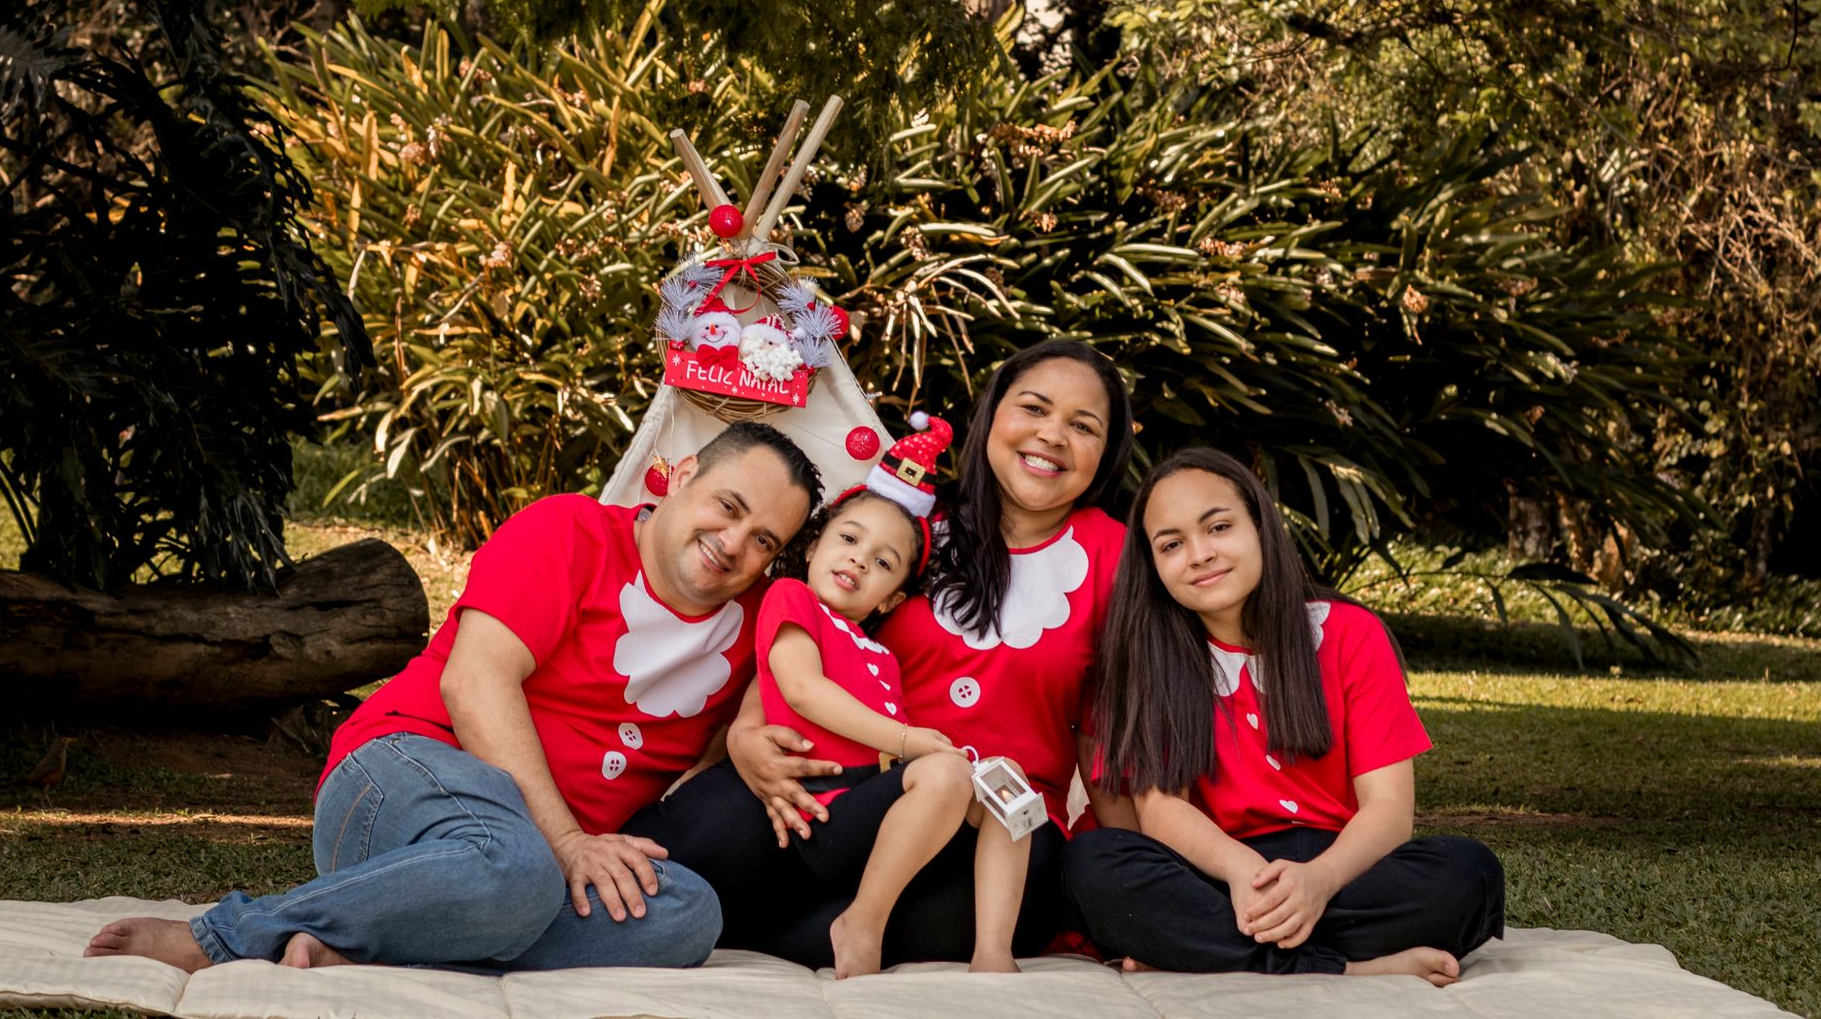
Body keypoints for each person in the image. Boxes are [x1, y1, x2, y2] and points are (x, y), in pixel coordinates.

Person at [83, 422, 821, 973]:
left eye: (764, 539)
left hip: (532, 867)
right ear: (682, 474)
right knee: (514, 865)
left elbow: (789, 702)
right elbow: (474, 682)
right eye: (727, 506)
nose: (733, 543)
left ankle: (370, 948)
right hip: (405, 774)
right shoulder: (571, 532)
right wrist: (564, 842)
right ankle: (226, 937)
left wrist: (750, 740)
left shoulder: (756, 622)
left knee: (689, 914)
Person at [628, 339, 1136, 968]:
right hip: (847, 784)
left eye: (1083, 426)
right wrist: (746, 735)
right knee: (716, 829)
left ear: (1107, 452)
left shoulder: (1119, 557)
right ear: (993, 417)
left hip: (987, 826)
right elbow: (808, 637)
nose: (1053, 434)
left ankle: (808, 934)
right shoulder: (905, 527)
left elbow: (1110, 732)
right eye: (1033, 408)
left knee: (961, 914)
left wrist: (1126, 877)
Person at [1063, 448, 1506, 984]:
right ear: (1153, 567)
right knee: (1093, 862)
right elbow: (1161, 813)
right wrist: (1241, 871)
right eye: (1172, 544)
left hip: (1342, 871)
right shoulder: (1151, 659)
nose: (1200, 554)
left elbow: (1389, 809)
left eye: (1219, 527)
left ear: (1260, 526)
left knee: (1470, 874)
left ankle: (1208, 952)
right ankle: (1347, 967)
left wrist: (1318, 882)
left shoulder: (1347, 634)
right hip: (1220, 875)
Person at [754, 416, 1031, 977]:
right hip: (821, 808)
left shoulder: (881, 655)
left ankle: (994, 952)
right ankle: (862, 922)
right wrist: (912, 743)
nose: (859, 559)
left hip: (874, 804)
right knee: (946, 773)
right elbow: (803, 691)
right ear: (813, 547)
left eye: (882, 562)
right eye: (849, 540)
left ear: (890, 600)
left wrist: (922, 752)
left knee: (1007, 781)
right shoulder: (791, 600)